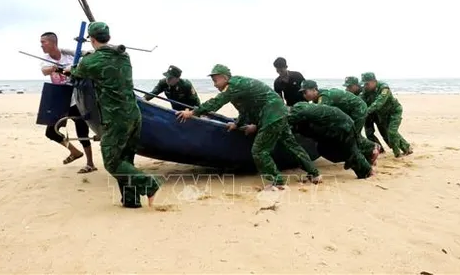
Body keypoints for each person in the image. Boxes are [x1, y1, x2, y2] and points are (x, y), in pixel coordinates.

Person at [175, 64, 322, 189]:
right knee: (292, 145)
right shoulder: (238, 85)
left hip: (272, 115)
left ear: (225, 77)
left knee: (259, 151)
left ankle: (278, 183)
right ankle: (315, 174)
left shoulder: (233, 86)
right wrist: (237, 124)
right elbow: (245, 110)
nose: (214, 84)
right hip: (279, 112)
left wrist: (193, 112)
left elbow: (216, 103)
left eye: (215, 80)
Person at [64, 22, 160, 208]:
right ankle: (131, 200)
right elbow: (103, 60)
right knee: (126, 160)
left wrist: (70, 69)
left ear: (91, 39)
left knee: (112, 162)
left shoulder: (91, 62)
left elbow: (76, 74)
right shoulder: (124, 56)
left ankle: (149, 185)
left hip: (115, 118)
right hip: (133, 114)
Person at [39, 31, 97, 174]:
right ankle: (74, 152)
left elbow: (85, 62)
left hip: (76, 98)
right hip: (59, 98)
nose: (41, 45)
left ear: (53, 43)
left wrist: (72, 68)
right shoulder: (46, 58)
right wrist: (56, 68)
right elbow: (45, 71)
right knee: (51, 132)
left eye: (43, 42)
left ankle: (90, 163)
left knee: (82, 130)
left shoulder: (70, 55)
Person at [287, 102, 375, 179]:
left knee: (350, 151)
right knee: (324, 149)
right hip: (338, 124)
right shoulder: (299, 106)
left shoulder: (297, 113)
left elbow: (286, 125)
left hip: (340, 126)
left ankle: (368, 172)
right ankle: (363, 155)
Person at [300, 79, 380, 159]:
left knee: (351, 134)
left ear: (314, 90)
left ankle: (371, 148)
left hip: (358, 110)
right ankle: (368, 151)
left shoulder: (324, 98)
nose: (304, 95)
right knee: (350, 134)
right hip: (349, 111)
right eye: (302, 93)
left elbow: (321, 116)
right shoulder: (317, 99)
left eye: (305, 92)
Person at [360, 72, 413, 157]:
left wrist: (366, 111)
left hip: (394, 111)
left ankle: (397, 155)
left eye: (367, 83)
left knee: (391, 132)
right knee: (391, 132)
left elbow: (379, 102)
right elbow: (360, 99)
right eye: (364, 84)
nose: (365, 86)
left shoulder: (384, 88)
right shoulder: (366, 89)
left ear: (374, 81)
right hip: (383, 114)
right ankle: (407, 148)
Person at [344, 76, 386, 154]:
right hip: (366, 114)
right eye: (346, 86)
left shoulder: (364, 90)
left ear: (356, 85)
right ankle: (379, 150)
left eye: (349, 86)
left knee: (384, 132)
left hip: (374, 112)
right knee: (369, 133)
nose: (347, 89)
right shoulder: (352, 93)